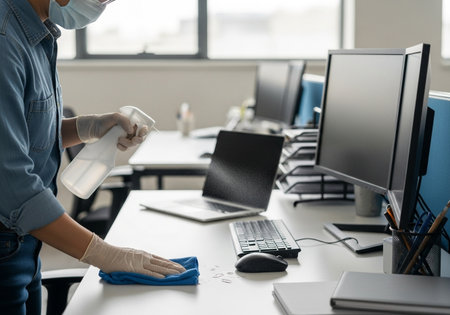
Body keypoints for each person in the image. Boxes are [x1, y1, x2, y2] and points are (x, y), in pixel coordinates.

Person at [0, 0, 185, 313]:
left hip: (24, 241)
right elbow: (12, 186)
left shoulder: (34, 30)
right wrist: (105, 254)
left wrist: (93, 126)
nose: (104, 2)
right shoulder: (5, 40)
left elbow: (24, 136)